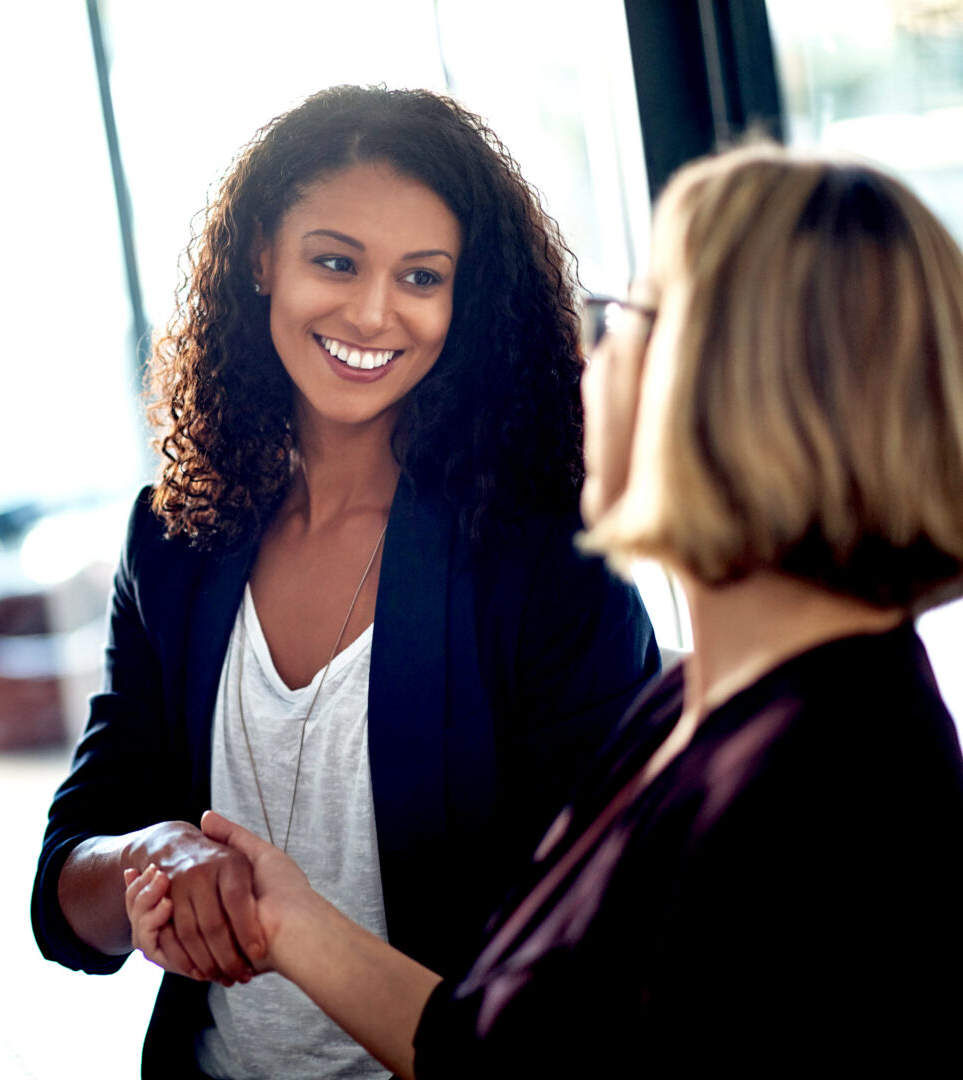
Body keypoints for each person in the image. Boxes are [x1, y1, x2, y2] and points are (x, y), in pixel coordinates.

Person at [132, 144, 963, 1073]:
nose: (584, 362)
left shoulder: (829, 779)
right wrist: (285, 917)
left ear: (736, 387)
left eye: (624, 323)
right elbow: (505, 1040)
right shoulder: (699, 710)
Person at [32, 85, 659, 1078]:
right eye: (335, 261)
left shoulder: (546, 569)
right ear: (259, 260)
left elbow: (591, 978)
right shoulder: (172, 539)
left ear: (466, 298)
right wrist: (151, 855)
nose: (372, 311)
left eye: (421, 275)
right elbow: (68, 883)